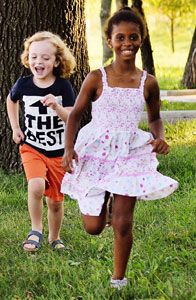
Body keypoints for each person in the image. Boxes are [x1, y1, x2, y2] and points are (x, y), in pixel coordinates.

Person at [60, 7, 178, 290]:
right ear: (110, 41)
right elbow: (75, 114)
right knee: (93, 227)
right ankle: (106, 201)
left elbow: (155, 117)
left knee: (124, 223)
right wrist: (68, 149)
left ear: (141, 39)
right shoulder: (97, 77)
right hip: (96, 150)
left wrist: (158, 137)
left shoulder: (147, 82)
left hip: (130, 153)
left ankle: (118, 280)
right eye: (121, 37)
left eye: (133, 37)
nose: (127, 43)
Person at [5, 31, 77, 252]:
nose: (39, 61)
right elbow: (11, 100)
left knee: (55, 202)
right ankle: (35, 229)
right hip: (32, 147)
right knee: (35, 185)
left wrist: (56, 106)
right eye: (34, 56)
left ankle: (55, 238)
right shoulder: (23, 84)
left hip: (58, 151)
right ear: (28, 59)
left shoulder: (63, 87)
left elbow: (72, 117)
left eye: (46, 58)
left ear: (57, 61)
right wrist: (16, 128)